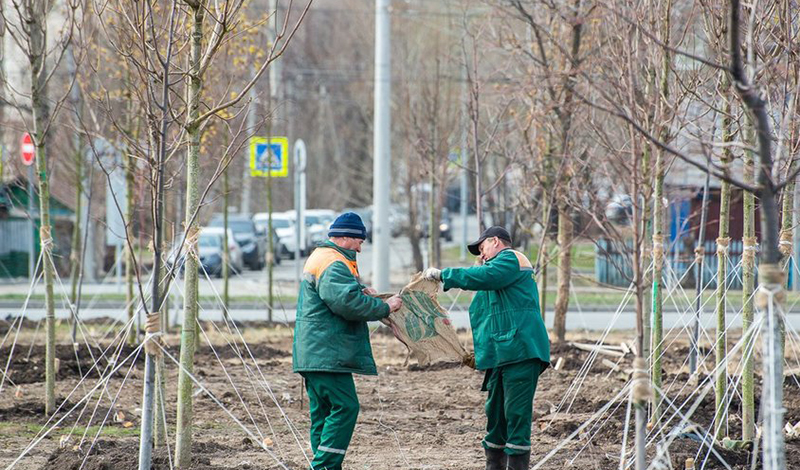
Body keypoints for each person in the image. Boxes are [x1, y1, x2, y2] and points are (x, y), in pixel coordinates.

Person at [423, 226, 550, 470]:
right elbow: (483, 312)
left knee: (516, 414)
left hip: (521, 350)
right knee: (495, 415)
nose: (481, 256)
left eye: (482, 249)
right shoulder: (496, 275)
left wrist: (444, 275)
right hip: (502, 354)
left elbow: (481, 277)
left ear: (495, 241)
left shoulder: (511, 259)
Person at [293, 212, 403, 470]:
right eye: (359, 241)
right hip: (327, 353)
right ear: (344, 237)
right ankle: (323, 467)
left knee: (322, 413)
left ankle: (325, 465)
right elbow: (347, 303)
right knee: (346, 407)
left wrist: (363, 293)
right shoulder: (333, 261)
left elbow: (343, 295)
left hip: (314, 352)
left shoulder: (325, 258)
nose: (361, 247)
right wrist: (385, 307)